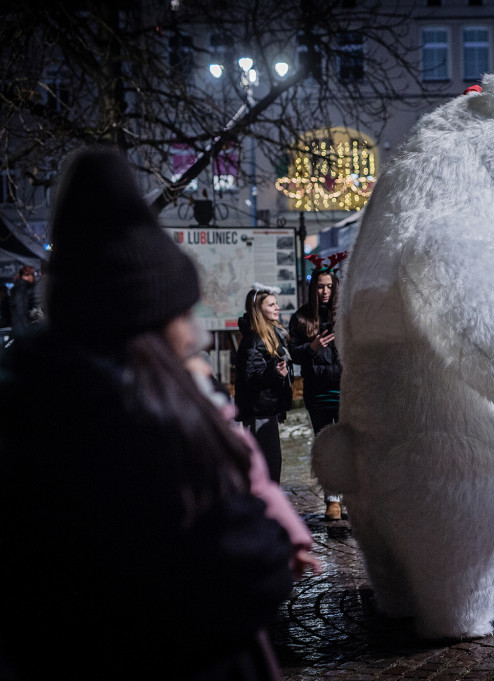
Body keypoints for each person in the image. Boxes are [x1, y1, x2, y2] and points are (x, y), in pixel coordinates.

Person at [0, 148, 309, 679]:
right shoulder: (151, 429)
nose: (199, 333)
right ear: (152, 325)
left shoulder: (23, 405)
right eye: (184, 315)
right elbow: (250, 568)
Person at [289, 258, 345, 520]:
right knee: (325, 446)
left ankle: (351, 499)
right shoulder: (302, 318)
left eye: (329, 287)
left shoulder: (345, 313)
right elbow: (292, 353)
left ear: (336, 287)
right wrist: (311, 349)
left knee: (346, 445)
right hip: (318, 393)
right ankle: (332, 500)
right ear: (313, 289)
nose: (325, 292)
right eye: (320, 287)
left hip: (345, 389)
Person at [235, 284, 293, 484]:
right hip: (258, 412)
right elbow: (251, 377)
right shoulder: (253, 340)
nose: (277, 308)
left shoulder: (271, 334)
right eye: (271, 305)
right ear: (259, 311)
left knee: (272, 466)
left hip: (268, 411)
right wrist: (275, 373)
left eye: (276, 304)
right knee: (264, 469)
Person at [9, 264, 41, 336]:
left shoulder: (20, 287)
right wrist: (28, 328)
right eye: (31, 274)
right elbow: (21, 309)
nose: (33, 277)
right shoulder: (22, 289)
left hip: (20, 328)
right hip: (24, 330)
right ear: (25, 276)